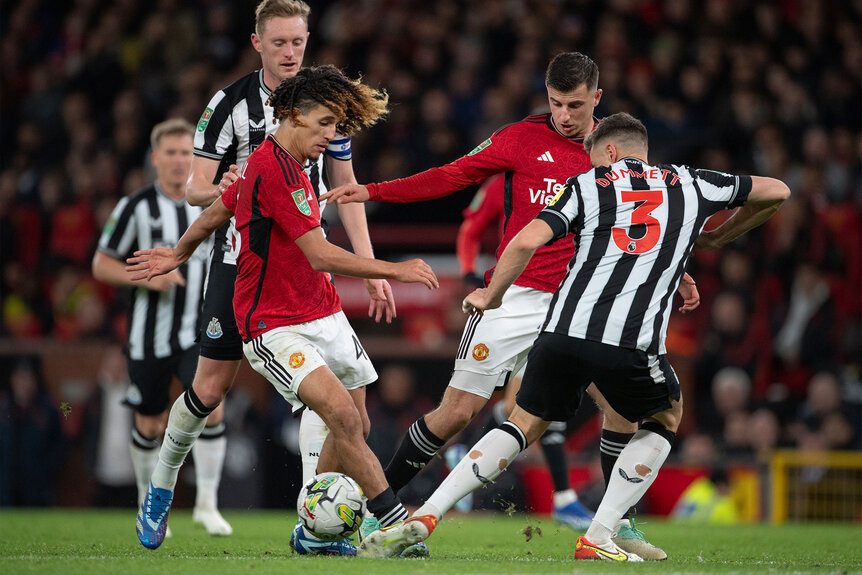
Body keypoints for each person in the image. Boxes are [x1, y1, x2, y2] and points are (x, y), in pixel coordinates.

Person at [359, 112, 790, 560]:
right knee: (664, 416)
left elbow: (527, 241)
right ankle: (599, 534)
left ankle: (428, 514)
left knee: (522, 423)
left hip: (561, 331)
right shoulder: (690, 183)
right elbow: (777, 191)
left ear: (609, 151)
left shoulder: (588, 186)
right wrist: (719, 238)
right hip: (627, 341)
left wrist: (491, 293)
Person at [322, 52, 699, 556]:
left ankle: (619, 524)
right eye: (557, 103)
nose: (565, 115)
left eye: (576, 105)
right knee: (455, 412)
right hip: (513, 296)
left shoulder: (613, 150)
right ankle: (379, 510)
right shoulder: (519, 138)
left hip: (579, 303)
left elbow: (644, 222)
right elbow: (452, 175)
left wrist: (681, 275)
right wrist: (373, 191)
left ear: (597, 100)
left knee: (621, 410)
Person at [127, 65, 439, 553]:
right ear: (292, 115)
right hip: (271, 318)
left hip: (321, 306)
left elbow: (222, 207)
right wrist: (391, 269)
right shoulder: (269, 162)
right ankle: (392, 520)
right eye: (324, 124)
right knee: (316, 409)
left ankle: (315, 533)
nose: (332, 136)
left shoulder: (280, 162)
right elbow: (314, 249)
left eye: (337, 126)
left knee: (356, 418)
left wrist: (181, 249)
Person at [92, 118, 222, 536]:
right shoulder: (134, 207)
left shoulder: (210, 203)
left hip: (199, 333)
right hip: (148, 335)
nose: (180, 160)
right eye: (171, 152)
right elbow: (101, 263)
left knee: (211, 404)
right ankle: (143, 502)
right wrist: (148, 275)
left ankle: (206, 504)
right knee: (149, 422)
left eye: (187, 152)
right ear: (155, 158)